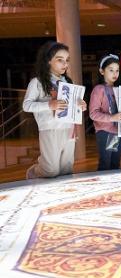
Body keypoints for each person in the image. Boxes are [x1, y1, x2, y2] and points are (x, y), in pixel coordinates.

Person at [23, 41, 87, 179]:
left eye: (67, 60)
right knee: (50, 170)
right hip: (49, 129)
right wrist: (49, 105)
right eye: (60, 60)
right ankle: (33, 172)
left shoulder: (68, 83)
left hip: (69, 129)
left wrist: (80, 105)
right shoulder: (37, 82)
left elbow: (71, 105)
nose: (65, 64)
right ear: (48, 61)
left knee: (66, 169)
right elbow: (27, 105)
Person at [90, 54, 121, 171]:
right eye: (111, 70)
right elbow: (93, 113)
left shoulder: (119, 89)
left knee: (115, 164)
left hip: (118, 131)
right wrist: (112, 118)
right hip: (105, 132)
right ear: (101, 71)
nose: (115, 73)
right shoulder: (99, 89)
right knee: (106, 164)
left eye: (117, 70)